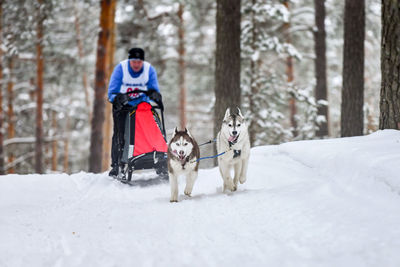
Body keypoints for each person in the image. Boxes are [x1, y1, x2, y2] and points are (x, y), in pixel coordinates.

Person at [107, 47, 163, 177]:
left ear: (142, 62)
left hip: (142, 107)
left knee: (152, 130)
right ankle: (116, 165)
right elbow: (111, 93)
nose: (137, 64)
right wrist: (118, 97)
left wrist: (155, 95)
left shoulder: (149, 70)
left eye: (139, 62)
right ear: (129, 61)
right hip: (123, 106)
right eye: (134, 62)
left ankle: (158, 158)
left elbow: (154, 90)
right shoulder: (120, 69)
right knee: (120, 135)